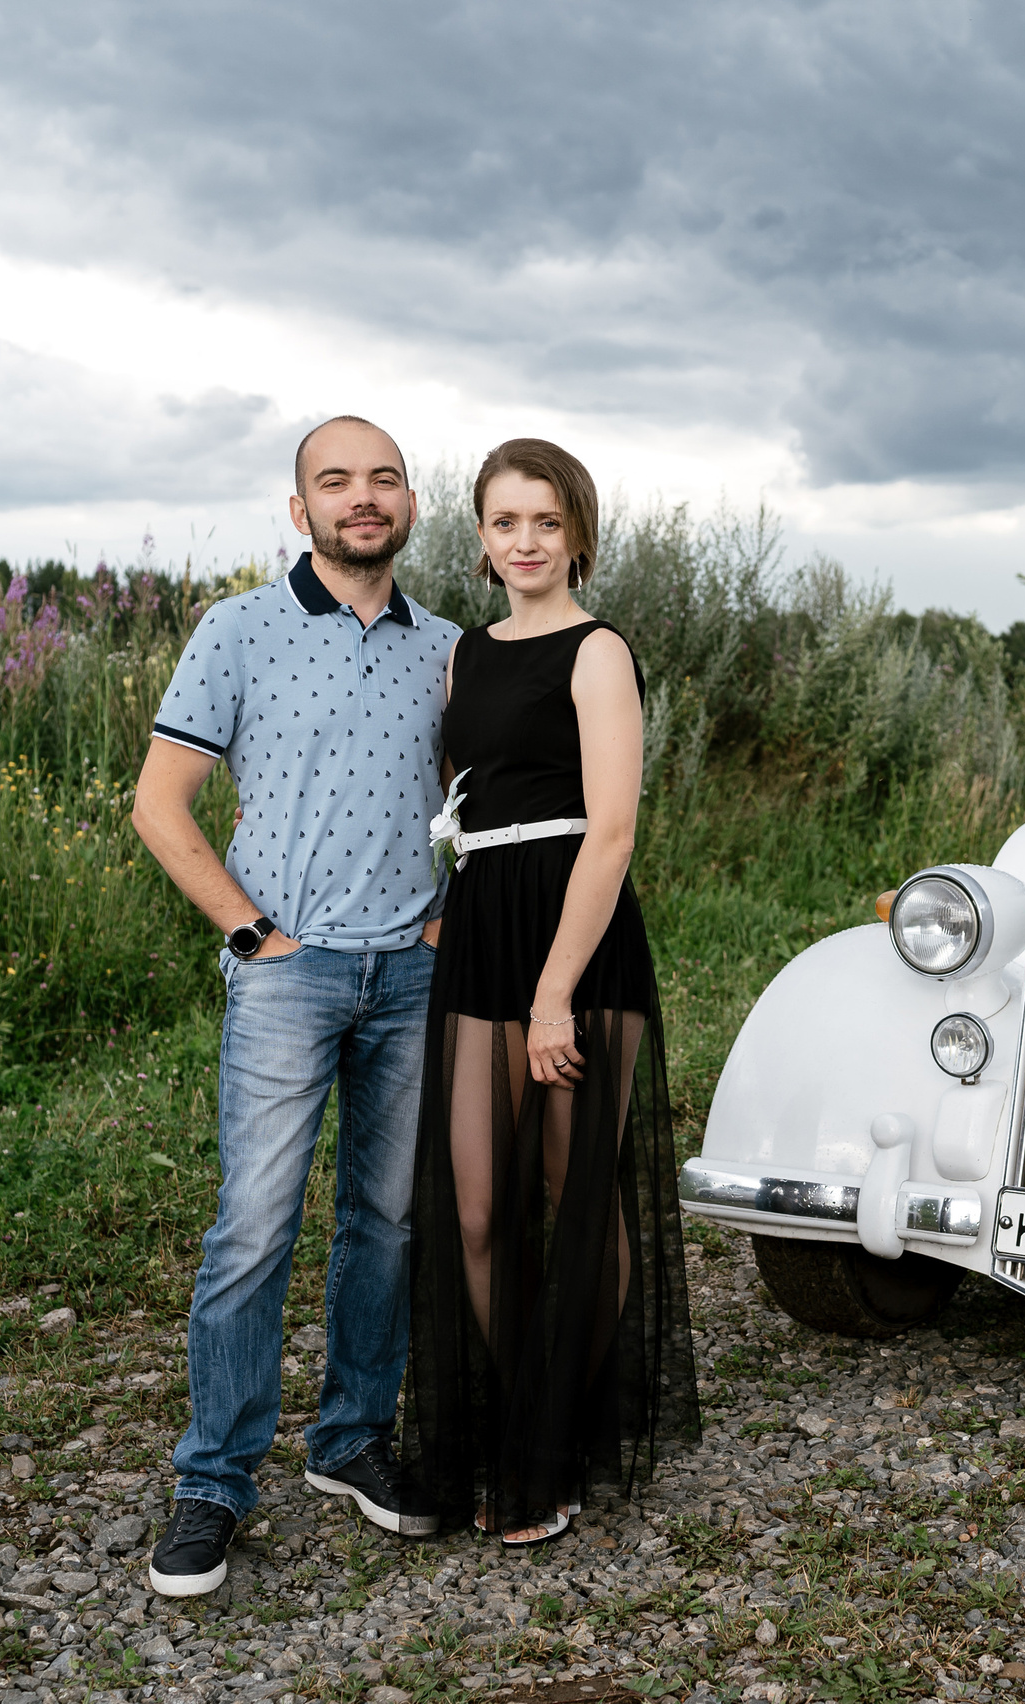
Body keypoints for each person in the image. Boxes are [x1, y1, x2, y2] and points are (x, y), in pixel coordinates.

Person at [130, 416, 458, 1598]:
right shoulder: (239, 628)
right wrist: (253, 935)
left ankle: (352, 1440)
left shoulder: (451, 649)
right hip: (289, 975)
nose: (360, 499)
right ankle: (214, 1481)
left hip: (412, 974)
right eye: (335, 482)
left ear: (413, 505)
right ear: (298, 509)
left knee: (389, 1221)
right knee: (253, 1229)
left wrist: (447, 915)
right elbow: (160, 805)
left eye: (382, 480)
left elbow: (498, 802)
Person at [406, 437, 698, 1546]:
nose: (523, 541)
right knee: (480, 1208)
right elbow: (462, 796)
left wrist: (553, 997)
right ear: (479, 538)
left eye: (543, 521)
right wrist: (449, 897)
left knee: (577, 1197)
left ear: (575, 531)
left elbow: (612, 830)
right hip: (484, 924)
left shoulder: (598, 652)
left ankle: (554, 1439)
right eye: (502, 522)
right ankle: (523, 1406)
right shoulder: (465, 656)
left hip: (574, 941)